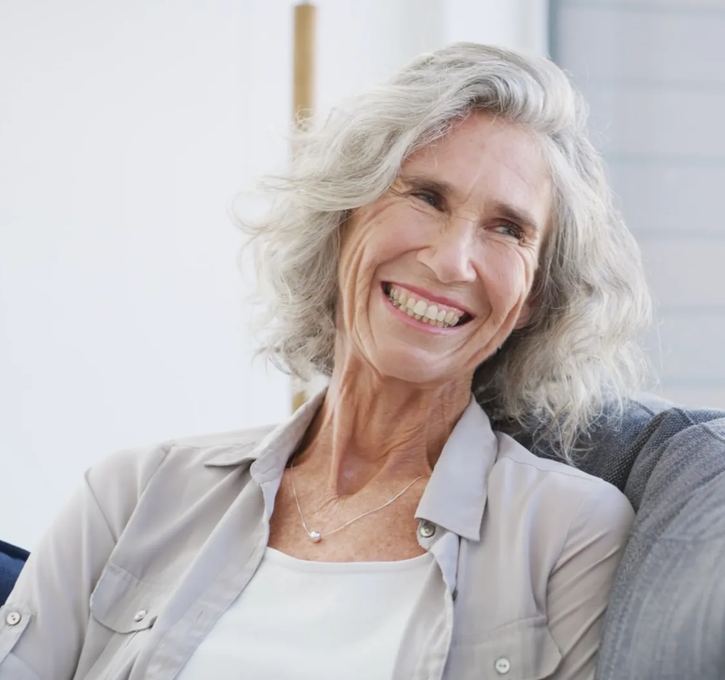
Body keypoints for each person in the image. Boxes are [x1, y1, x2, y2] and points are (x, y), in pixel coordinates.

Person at [0, 43, 651, 680]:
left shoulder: (570, 534)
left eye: (508, 229)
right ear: (345, 214)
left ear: (535, 296)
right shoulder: (132, 496)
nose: (452, 262)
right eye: (427, 196)